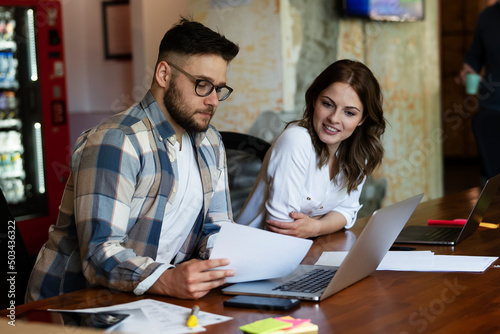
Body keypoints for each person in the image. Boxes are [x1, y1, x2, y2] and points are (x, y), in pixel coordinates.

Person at [26, 18, 239, 303]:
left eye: (219, 89)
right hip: (68, 307)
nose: (213, 100)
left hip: (147, 301)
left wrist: (230, 264)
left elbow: (217, 229)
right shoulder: (117, 140)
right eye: (203, 85)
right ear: (164, 74)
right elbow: (99, 253)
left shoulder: (210, 141)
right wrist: (168, 278)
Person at [237, 59, 386, 238]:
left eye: (349, 113)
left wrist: (316, 227)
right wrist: (323, 223)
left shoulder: (359, 152)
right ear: (315, 99)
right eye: (328, 104)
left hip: (306, 248)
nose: (334, 118)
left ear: (362, 119)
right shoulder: (296, 141)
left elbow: (347, 211)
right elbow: (282, 228)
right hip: (257, 252)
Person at [456, 1, 500, 181]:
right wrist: (468, 70)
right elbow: (475, 53)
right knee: (491, 179)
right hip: (491, 108)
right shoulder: (487, 16)